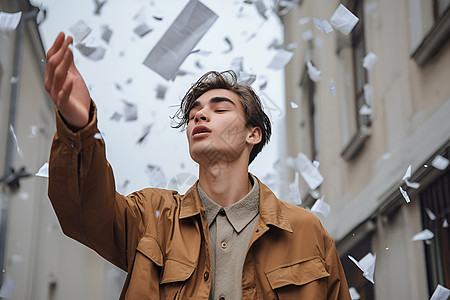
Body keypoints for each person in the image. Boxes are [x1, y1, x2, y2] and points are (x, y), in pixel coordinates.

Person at [45, 32, 351, 300]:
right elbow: (83, 211)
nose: (199, 116)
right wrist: (79, 125)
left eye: (219, 108)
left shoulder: (306, 231)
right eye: (194, 112)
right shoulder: (151, 218)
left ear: (252, 134)